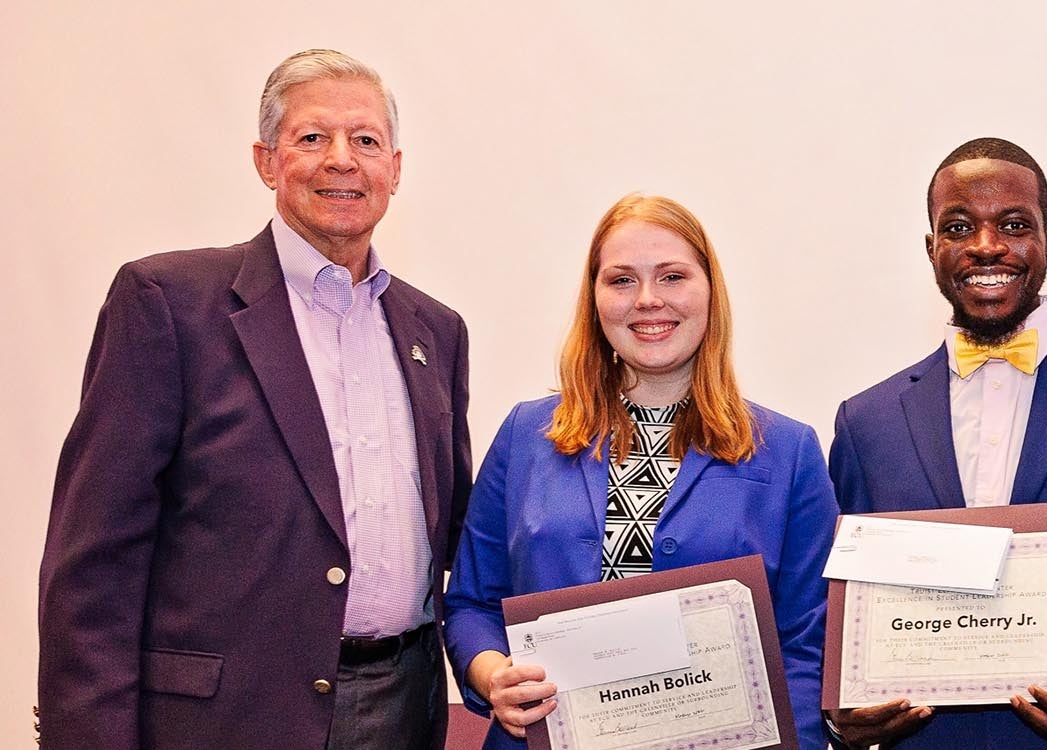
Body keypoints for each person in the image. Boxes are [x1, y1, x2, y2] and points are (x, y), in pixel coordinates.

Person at [37, 49, 469, 750]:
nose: (341, 160)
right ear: (267, 161)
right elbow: (92, 563)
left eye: (365, 141)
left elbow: (455, 533)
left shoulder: (437, 331)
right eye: (311, 138)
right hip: (228, 721)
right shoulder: (168, 305)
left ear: (395, 167)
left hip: (403, 709)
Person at [443, 193, 836, 749]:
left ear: (709, 293)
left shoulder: (788, 451)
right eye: (622, 280)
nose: (648, 300)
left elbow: (806, 644)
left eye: (673, 276)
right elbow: (471, 603)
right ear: (595, 299)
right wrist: (492, 675)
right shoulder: (526, 435)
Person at [827, 137, 1047, 749]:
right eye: (959, 227)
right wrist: (839, 712)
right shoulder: (866, 423)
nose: (986, 246)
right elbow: (836, 610)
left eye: (1014, 225)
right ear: (932, 247)